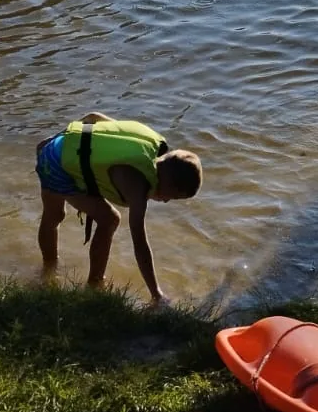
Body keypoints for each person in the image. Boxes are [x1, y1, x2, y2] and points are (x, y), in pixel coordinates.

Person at [35, 114, 202, 303]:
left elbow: (92, 117)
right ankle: (93, 284)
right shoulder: (138, 186)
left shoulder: (147, 143)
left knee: (55, 215)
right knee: (108, 220)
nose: (166, 202)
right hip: (57, 166)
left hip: (57, 146)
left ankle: (48, 271)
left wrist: (58, 139)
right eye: (171, 196)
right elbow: (140, 244)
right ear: (169, 184)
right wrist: (156, 294)